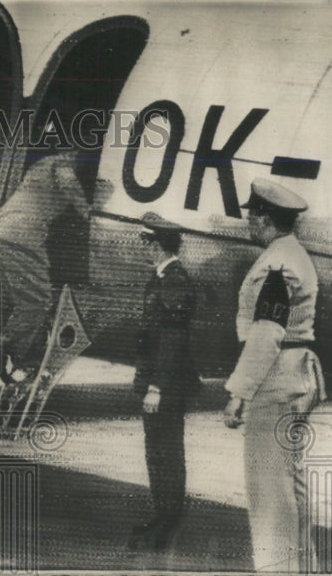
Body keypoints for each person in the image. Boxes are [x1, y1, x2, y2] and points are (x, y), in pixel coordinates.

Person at [222, 179, 326, 572]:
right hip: (294, 374)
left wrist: (240, 392)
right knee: (290, 486)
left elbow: (267, 330)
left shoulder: (278, 264)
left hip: (276, 376)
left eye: (252, 215)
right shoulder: (293, 255)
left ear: (265, 217)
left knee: (269, 493)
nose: (249, 222)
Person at [0, 153, 112, 381]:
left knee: (26, 301)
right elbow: (68, 183)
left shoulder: (41, 165)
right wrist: (88, 211)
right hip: (21, 235)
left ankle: (10, 348)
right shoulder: (61, 163)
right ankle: (14, 352)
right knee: (39, 301)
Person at [128, 212, 199, 550]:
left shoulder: (173, 280)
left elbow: (172, 338)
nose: (142, 246)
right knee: (157, 451)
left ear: (156, 244)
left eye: (145, 241)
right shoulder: (161, 277)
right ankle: (163, 513)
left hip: (165, 385)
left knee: (166, 451)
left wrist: (156, 386)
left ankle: (169, 521)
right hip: (158, 381)